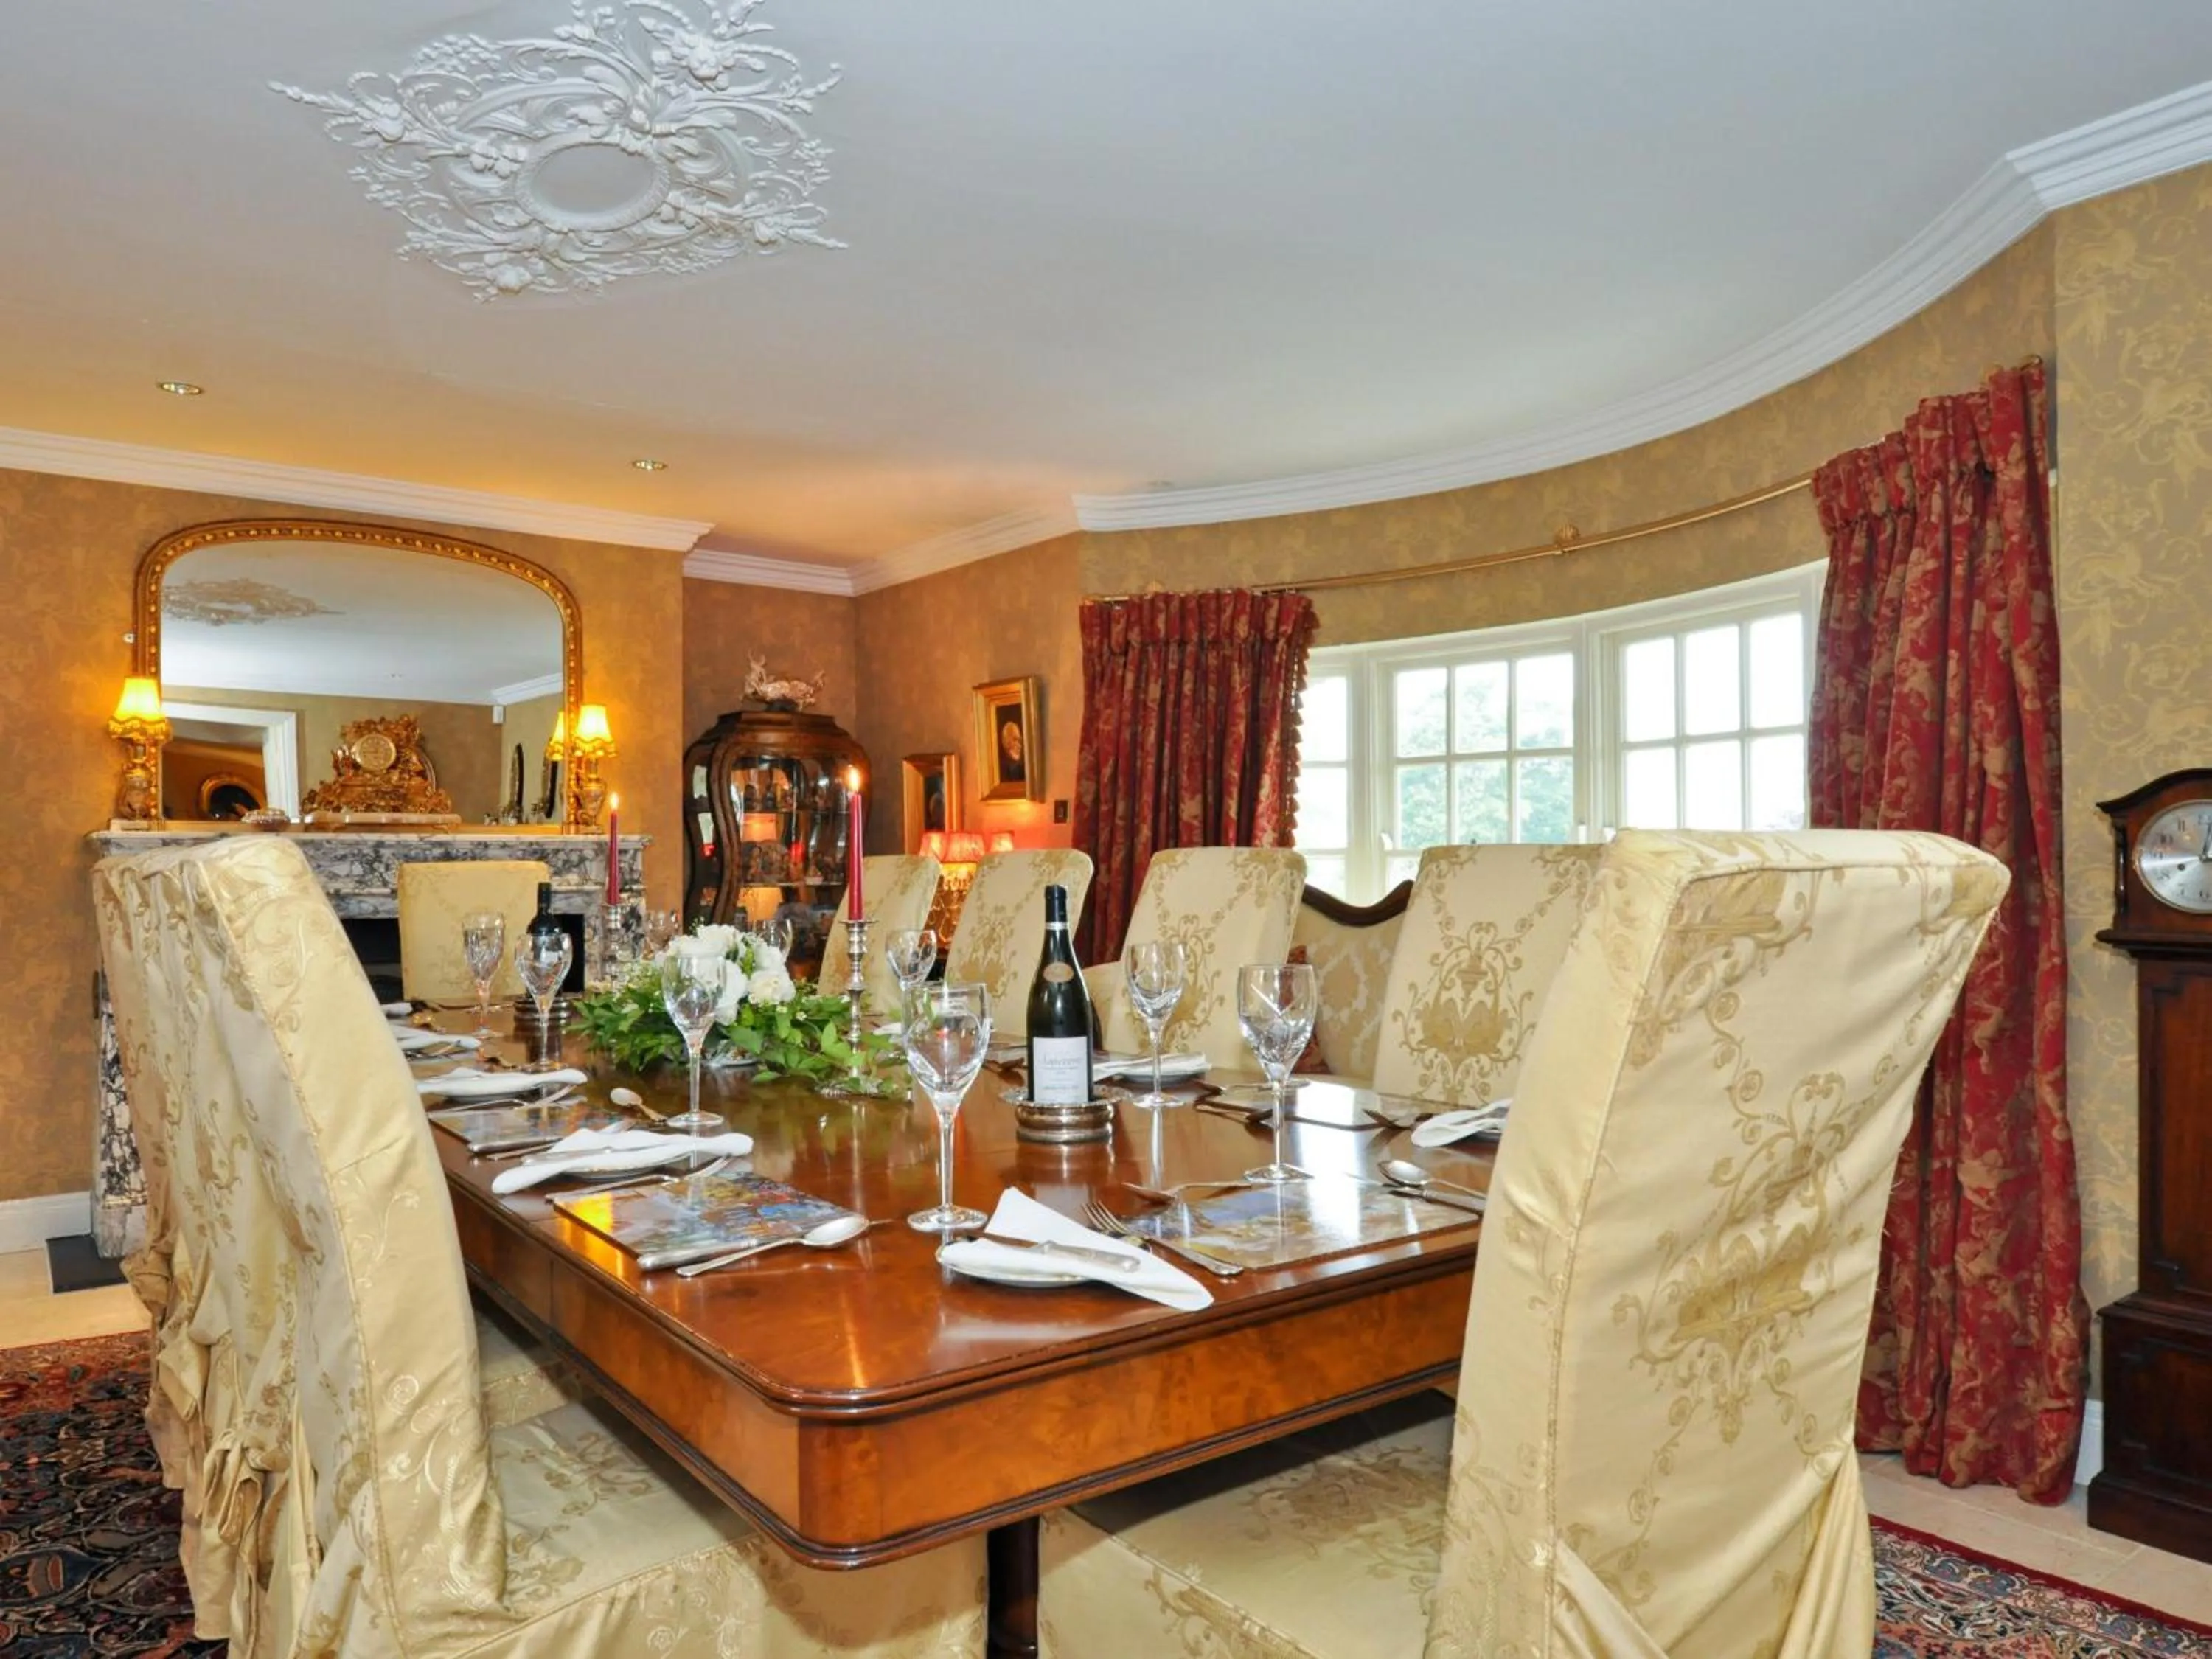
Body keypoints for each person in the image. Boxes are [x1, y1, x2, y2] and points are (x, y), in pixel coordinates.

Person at [998, 715, 1026, 782]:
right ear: (1006, 742)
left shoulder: (1023, 769)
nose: (1019, 746)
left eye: (1019, 741)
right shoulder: (1000, 770)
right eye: (1014, 740)